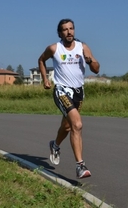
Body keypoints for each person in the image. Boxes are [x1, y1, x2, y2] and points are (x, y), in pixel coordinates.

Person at [38, 18, 100, 179]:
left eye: (71, 28)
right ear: (60, 33)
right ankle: (80, 165)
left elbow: (96, 69)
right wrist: (45, 79)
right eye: (65, 29)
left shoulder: (83, 47)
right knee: (77, 125)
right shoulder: (54, 48)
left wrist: (90, 59)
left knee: (67, 127)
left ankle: (55, 145)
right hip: (62, 91)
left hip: (79, 92)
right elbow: (41, 60)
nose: (69, 32)